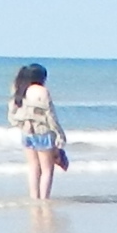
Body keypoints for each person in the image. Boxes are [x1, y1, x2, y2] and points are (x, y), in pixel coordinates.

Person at [10, 63, 70, 201]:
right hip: (43, 132)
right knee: (47, 169)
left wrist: (22, 124)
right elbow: (50, 115)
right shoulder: (42, 91)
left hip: (27, 132)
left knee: (33, 167)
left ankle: (34, 198)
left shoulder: (20, 89)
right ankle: (44, 199)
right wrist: (59, 134)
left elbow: (13, 115)